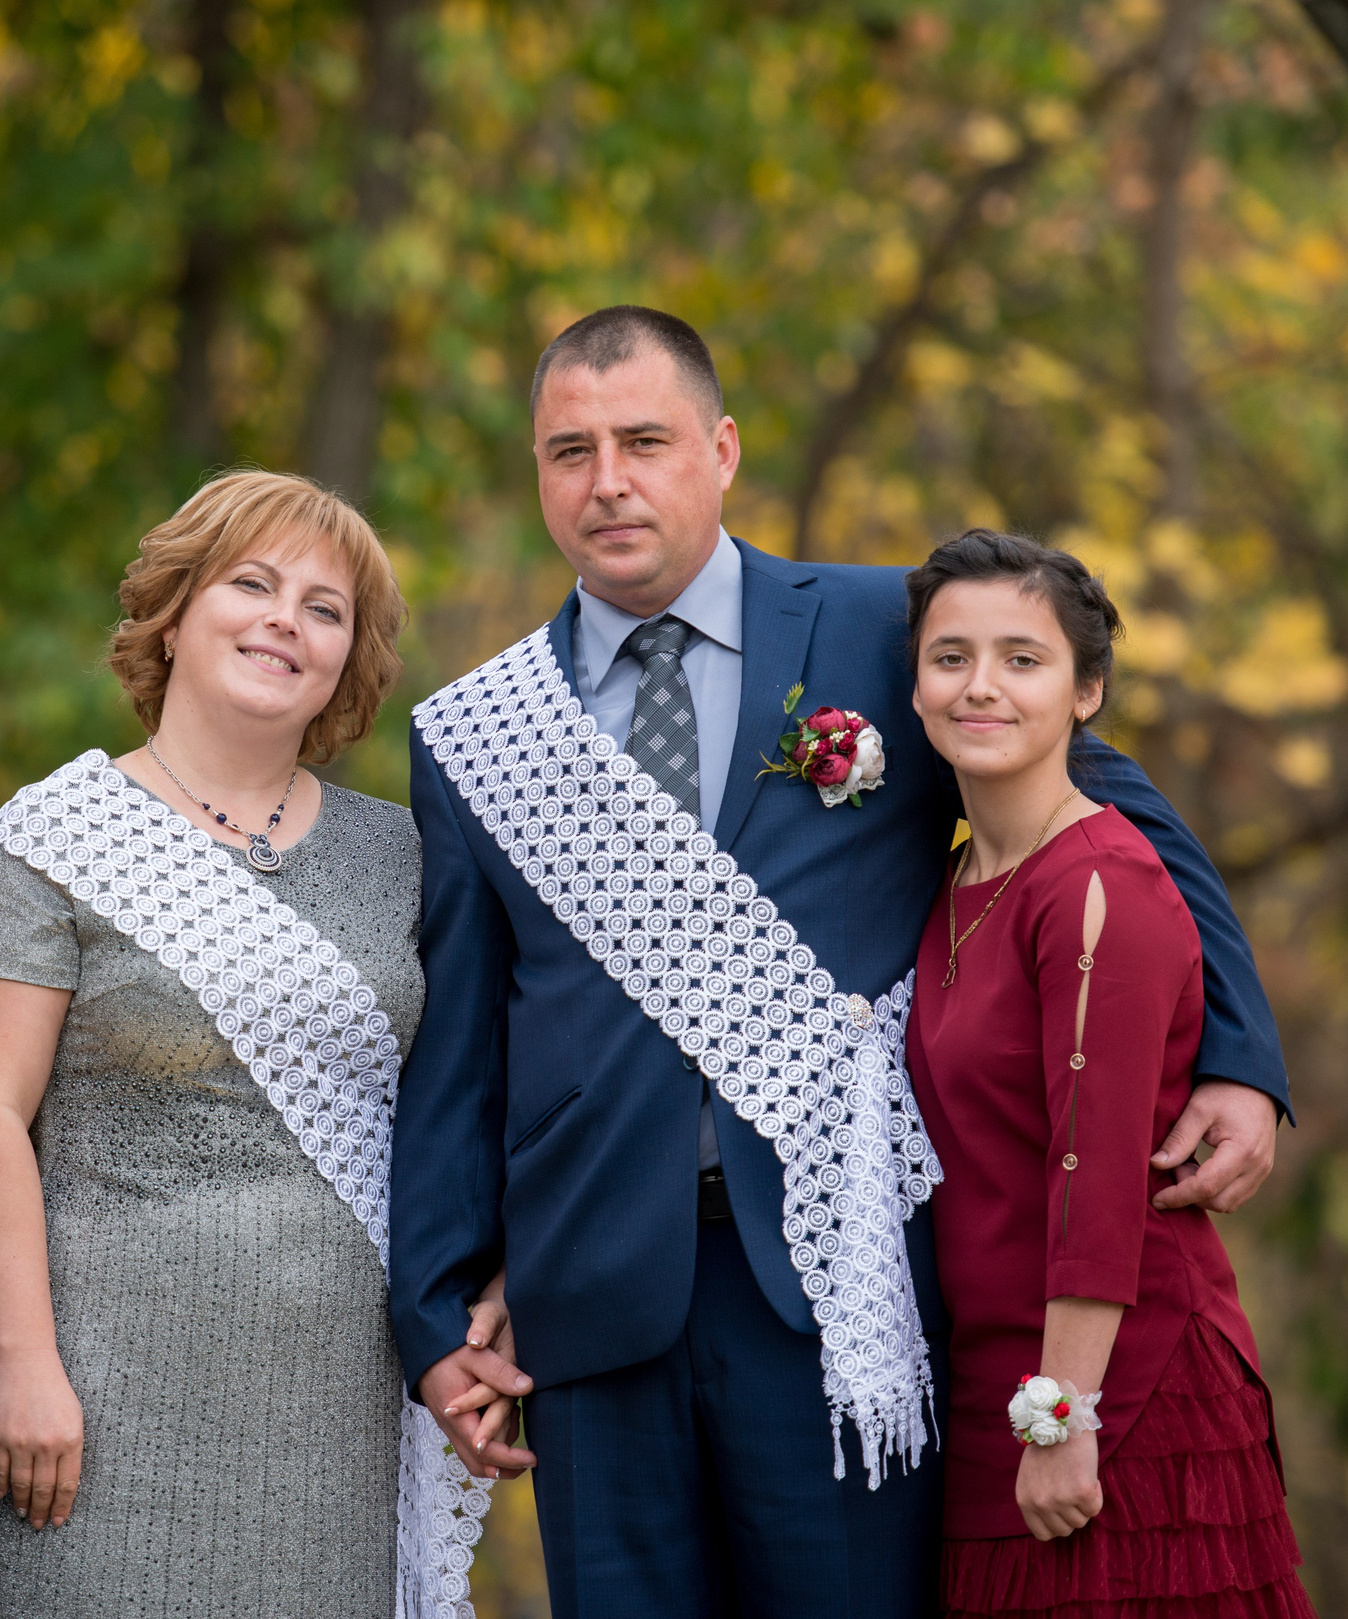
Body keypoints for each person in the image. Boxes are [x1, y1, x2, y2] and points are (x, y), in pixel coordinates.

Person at [392, 306, 1294, 1618]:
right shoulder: (478, 732)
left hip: (844, 1272)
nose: (608, 482)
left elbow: (1113, 815)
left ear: (721, 449)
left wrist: (1239, 1054)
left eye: (644, 442)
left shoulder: (885, 629)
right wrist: (434, 1313)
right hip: (591, 1283)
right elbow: (462, 1037)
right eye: (570, 451)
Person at [0, 469, 519, 1619]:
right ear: (173, 614)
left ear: (346, 658)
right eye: (251, 584)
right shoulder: (47, 841)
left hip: (341, 1406)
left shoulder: (405, 856)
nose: (284, 620)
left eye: (323, 607)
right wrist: (23, 1363)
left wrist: (498, 1276)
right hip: (99, 1403)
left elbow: (475, 1094)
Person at [903, 530, 1314, 1616]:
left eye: (1022, 659)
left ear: (1086, 692)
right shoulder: (954, 880)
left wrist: (1061, 1415)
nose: (980, 685)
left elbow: (1095, 1180)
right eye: (950, 657)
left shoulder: (1099, 887)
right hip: (991, 1388)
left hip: (1112, 1395)